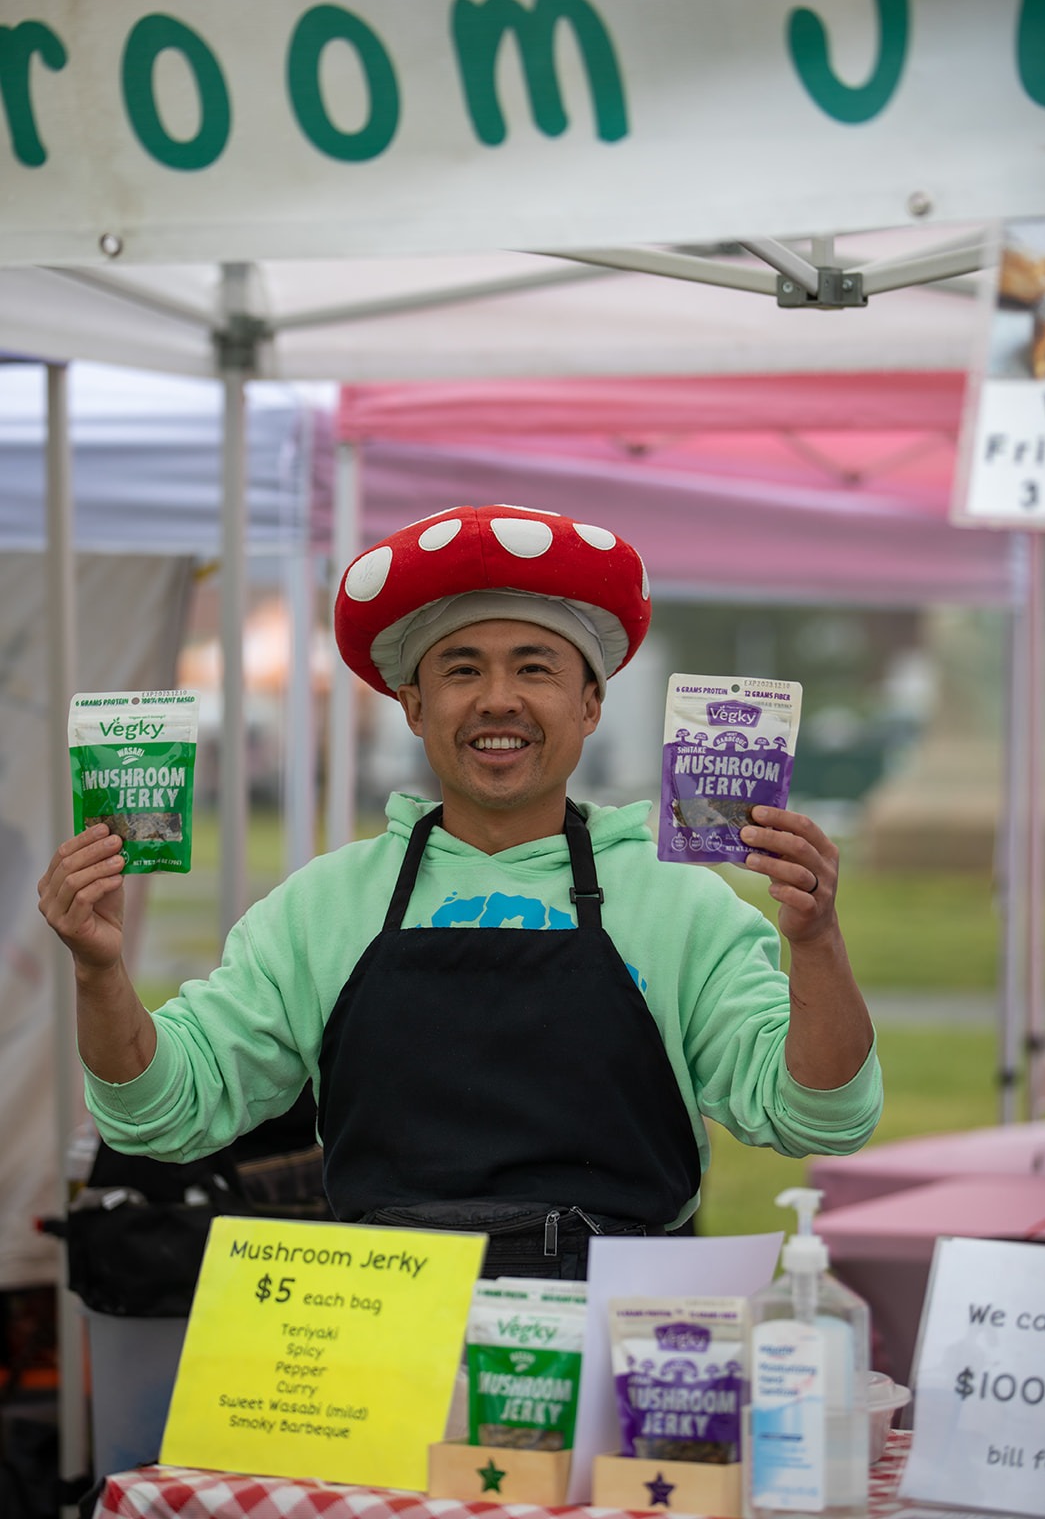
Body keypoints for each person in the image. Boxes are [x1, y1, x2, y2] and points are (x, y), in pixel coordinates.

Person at [39, 504, 881, 1278]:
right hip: (378, 1326)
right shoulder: (322, 906)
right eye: (461, 670)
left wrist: (815, 942)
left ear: (589, 703)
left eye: (535, 667)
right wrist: (98, 973)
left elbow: (818, 1117)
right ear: (412, 704)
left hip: (618, 1322)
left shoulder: (680, 906)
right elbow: (162, 1115)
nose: (497, 700)